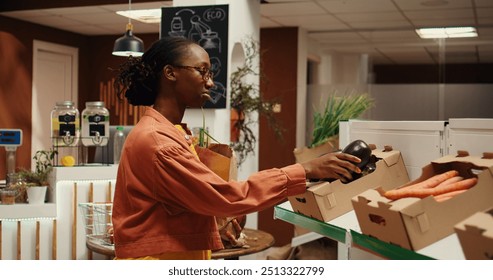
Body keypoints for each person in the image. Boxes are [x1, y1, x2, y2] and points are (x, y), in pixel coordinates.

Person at [111, 36, 362, 260]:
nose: (210, 83)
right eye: (202, 71)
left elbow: (189, 204)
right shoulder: (159, 142)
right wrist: (306, 170)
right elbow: (225, 197)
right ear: (170, 73)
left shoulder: (171, 132)